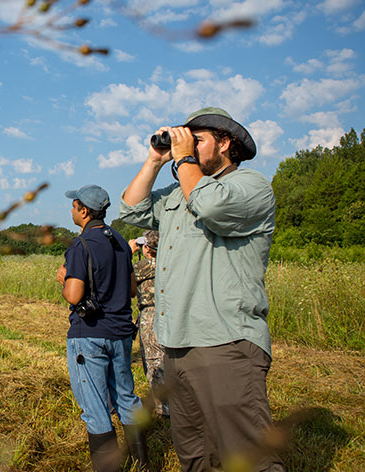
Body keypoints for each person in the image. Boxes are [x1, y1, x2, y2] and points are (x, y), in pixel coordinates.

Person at [119, 107, 285, 472]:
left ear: (225, 143)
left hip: (224, 342)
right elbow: (131, 209)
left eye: (197, 141)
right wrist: (155, 160)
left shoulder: (250, 186)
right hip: (176, 344)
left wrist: (184, 160)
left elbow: (209, 207)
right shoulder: (178, 194)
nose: (187, 147)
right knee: (195, 455)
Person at [56, 184, 149, 472]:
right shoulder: (119, 241)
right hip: (121, 333)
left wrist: (64, 279)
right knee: (126, 397)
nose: (72, 209)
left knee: (95, 407)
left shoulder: (80, 244)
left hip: (90, 335)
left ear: (84, 211)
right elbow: (132, 290)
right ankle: (142, 464)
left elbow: (74, 295)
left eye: (74, 206)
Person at [128, 230, 167, 418]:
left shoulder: (146, 266)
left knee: (154, 362)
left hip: (151, 315)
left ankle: (164, 409)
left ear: (148, 248)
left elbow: (123, 275)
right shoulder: (169, 263)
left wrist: (128, 252)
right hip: (169, 313)